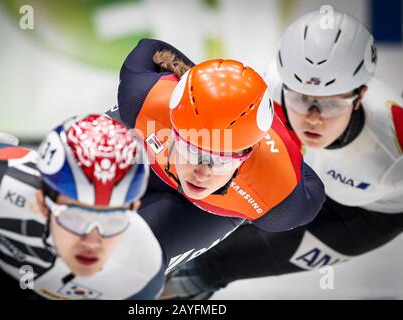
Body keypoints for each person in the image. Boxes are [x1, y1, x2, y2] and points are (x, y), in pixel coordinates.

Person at [161, 10, 403, 299]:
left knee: (208, 268)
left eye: (331, 104)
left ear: (361, 94)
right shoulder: (269, 90)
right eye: (301, 98)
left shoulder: (395, 142)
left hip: (363, 216)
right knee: (176, 247)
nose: (313, 118)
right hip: (296, 182)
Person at [107, 38, 325, 277]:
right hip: (142, 153)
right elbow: (147, 48)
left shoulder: (279, 202)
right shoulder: (142, 100)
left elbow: (315, 188)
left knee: (131, 265)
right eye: (192, 150)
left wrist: (289, 147)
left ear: (246, 156)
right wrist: (193, 80)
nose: (201, 173)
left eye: (222, 161)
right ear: (174, 128)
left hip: (203, 211)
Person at [0, 114, 164, 300]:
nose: (92, 241)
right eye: (76, 217)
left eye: (112, 221)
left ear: (134, 209)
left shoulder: (141, 273)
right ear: (43, 203)